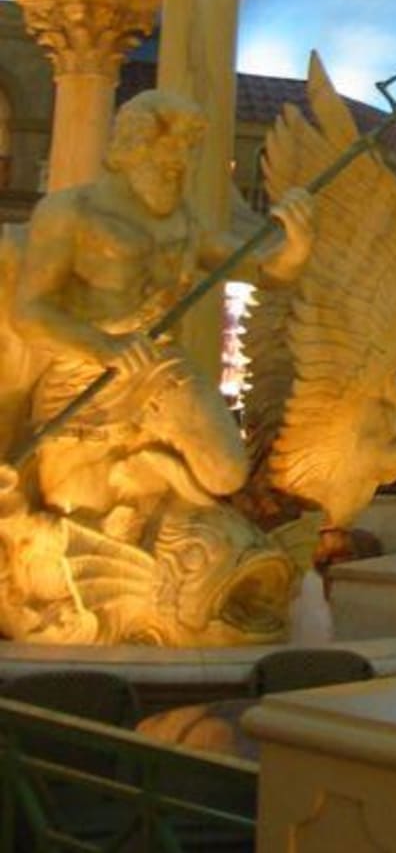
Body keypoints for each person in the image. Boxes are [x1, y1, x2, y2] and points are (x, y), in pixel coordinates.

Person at [8, 88, 313, 528]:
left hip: (161, 368)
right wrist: (104, 347)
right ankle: (143, 478)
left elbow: (265, 271)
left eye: (190, 149)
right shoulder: (70, 212)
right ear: (135, 145)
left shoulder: (184, 222)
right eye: (172, 148)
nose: (183, 162)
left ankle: (151, 469)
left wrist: (296, 248)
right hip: (84, 374)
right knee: (74, 510)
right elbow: (30, 312)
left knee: (226, 473)